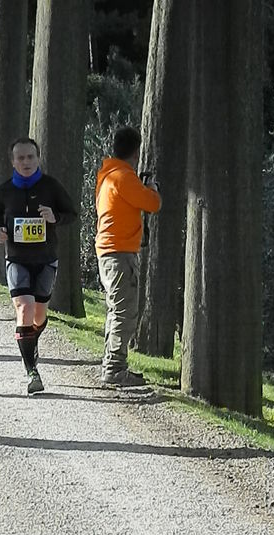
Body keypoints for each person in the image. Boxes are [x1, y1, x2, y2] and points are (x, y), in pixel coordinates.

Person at [0, 137, 77, 394]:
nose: (26, 162)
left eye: (30, 157)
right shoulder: (5, 190)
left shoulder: (51, 187)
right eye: (20, 158)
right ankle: (32, 372)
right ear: (13, 162)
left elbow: (71, 213)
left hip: (46, 259)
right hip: (16, 259)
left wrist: (55, 217)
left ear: (38, 158)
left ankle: (31, 339)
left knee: (38, 315)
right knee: (25, 308)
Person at [95, 126, 161, 386]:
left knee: (116, 310)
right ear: (137, 151)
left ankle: (111, 365)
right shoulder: (123, 176)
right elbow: (153, 204)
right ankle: (115, 369)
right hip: (120, 253)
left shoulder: (107, 175)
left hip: (109, 252)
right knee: (125, 312)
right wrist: (153, 187)